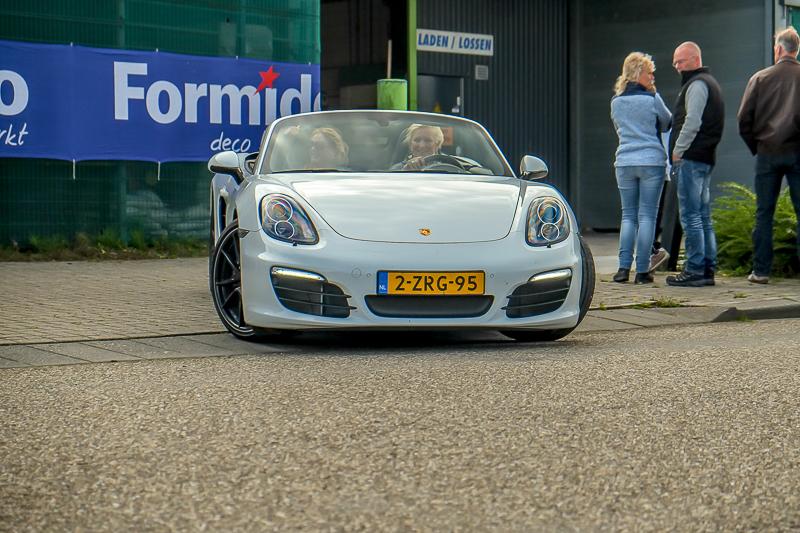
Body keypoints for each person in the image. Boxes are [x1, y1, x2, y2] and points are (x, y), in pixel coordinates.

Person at [737, 27, 800, 285]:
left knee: (764, 212)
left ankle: (761, 271)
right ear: (796, 50)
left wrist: (757, 145)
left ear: (778, 49)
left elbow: (744, 119)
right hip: (798, 152)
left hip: (767, 152)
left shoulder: (760, 78)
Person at [609, 52, 672, 284]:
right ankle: (642, 271)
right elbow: (667, 122)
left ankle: (623, 269)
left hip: (625, 162)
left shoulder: (616, 102)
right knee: (647, 217)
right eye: (649, 73)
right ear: (637, 73)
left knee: (628, 216)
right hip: (651, 162)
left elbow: (619, 128)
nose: (652, 77)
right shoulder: (652, 99)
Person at [665, 42, 725, 287]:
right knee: (703, 215)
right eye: (675, 62)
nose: (677, 66)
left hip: (691, 159)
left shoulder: (697, 85)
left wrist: (678, 150)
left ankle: (694, 269)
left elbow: (692, 121)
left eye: (681, 61)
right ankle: (707, 268)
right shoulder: (711, 83)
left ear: (695, 59)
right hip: (704, 158)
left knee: (691, 215)